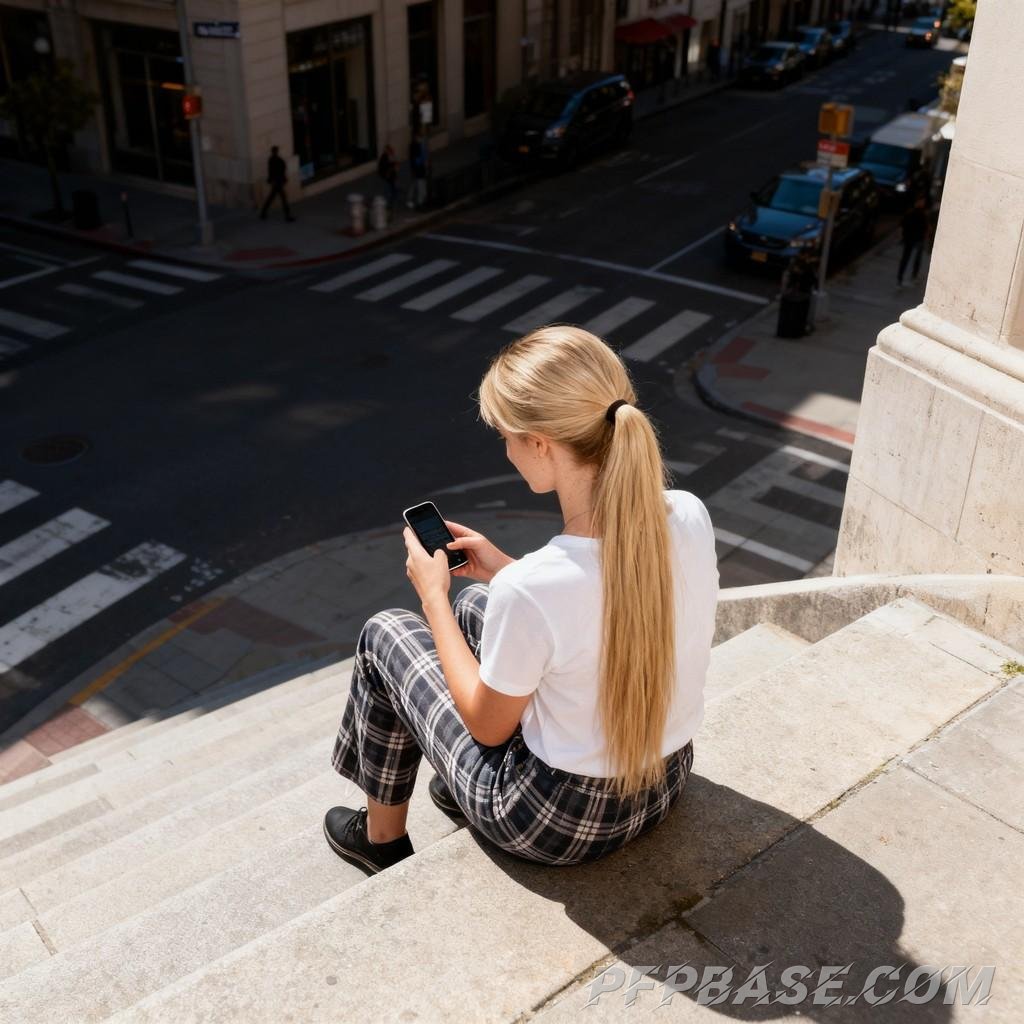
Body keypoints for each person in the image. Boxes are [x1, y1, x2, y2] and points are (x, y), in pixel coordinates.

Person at [323, 326, 720, 874]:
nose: (506, 451)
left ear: (540, 442)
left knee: (387, 631)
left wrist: (433, 596)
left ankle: (380, 841)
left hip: (555, 821)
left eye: (507, 436)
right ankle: (454, 791)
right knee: (478, 605)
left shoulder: (534, 587)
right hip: (661, 781)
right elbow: (603, 602)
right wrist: (502, 570)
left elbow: (488, 727)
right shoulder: (687, 512)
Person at [897, 194, 930, 286]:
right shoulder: (911, 212)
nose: (922, 203)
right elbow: (902, 224)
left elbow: (926, 227)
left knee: (916, 258)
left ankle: (913, 275)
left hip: (918, 238)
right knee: (906, 258)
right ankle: (901, 277)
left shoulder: (923, 213)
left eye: (923, 201)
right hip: (910, 238)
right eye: (921, 201)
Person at [260, 145, 295, 222]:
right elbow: (280, 169)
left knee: (272, 197)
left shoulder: (272, 160)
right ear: (275, 151)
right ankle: (287, 216)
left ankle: (263, 213)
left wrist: (271, 180)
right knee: (283, 198)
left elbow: (272, 171)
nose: (277, 152)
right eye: (276, 151)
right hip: (277, 182)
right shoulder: (276, 160)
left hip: (276, 182)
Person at [407, 130, 429, 210]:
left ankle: (414, 200)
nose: (421, 139)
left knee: (416, 185)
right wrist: (423, 161)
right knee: (419, 185)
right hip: (418, 170)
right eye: (420, 137)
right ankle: (419, 202)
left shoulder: (419, 145)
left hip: (419, 169)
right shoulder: (415, 146)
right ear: (416, 137)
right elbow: (416, 160)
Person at [377, 143, 399, 208]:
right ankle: (388, 204)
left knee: (392, 189)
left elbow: (394, 165)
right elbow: (386, 167)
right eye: (388, 150)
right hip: (387, 176)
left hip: (390, 176)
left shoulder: (390, 156)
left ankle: (391, 202)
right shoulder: (384, 157)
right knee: (389, 189)